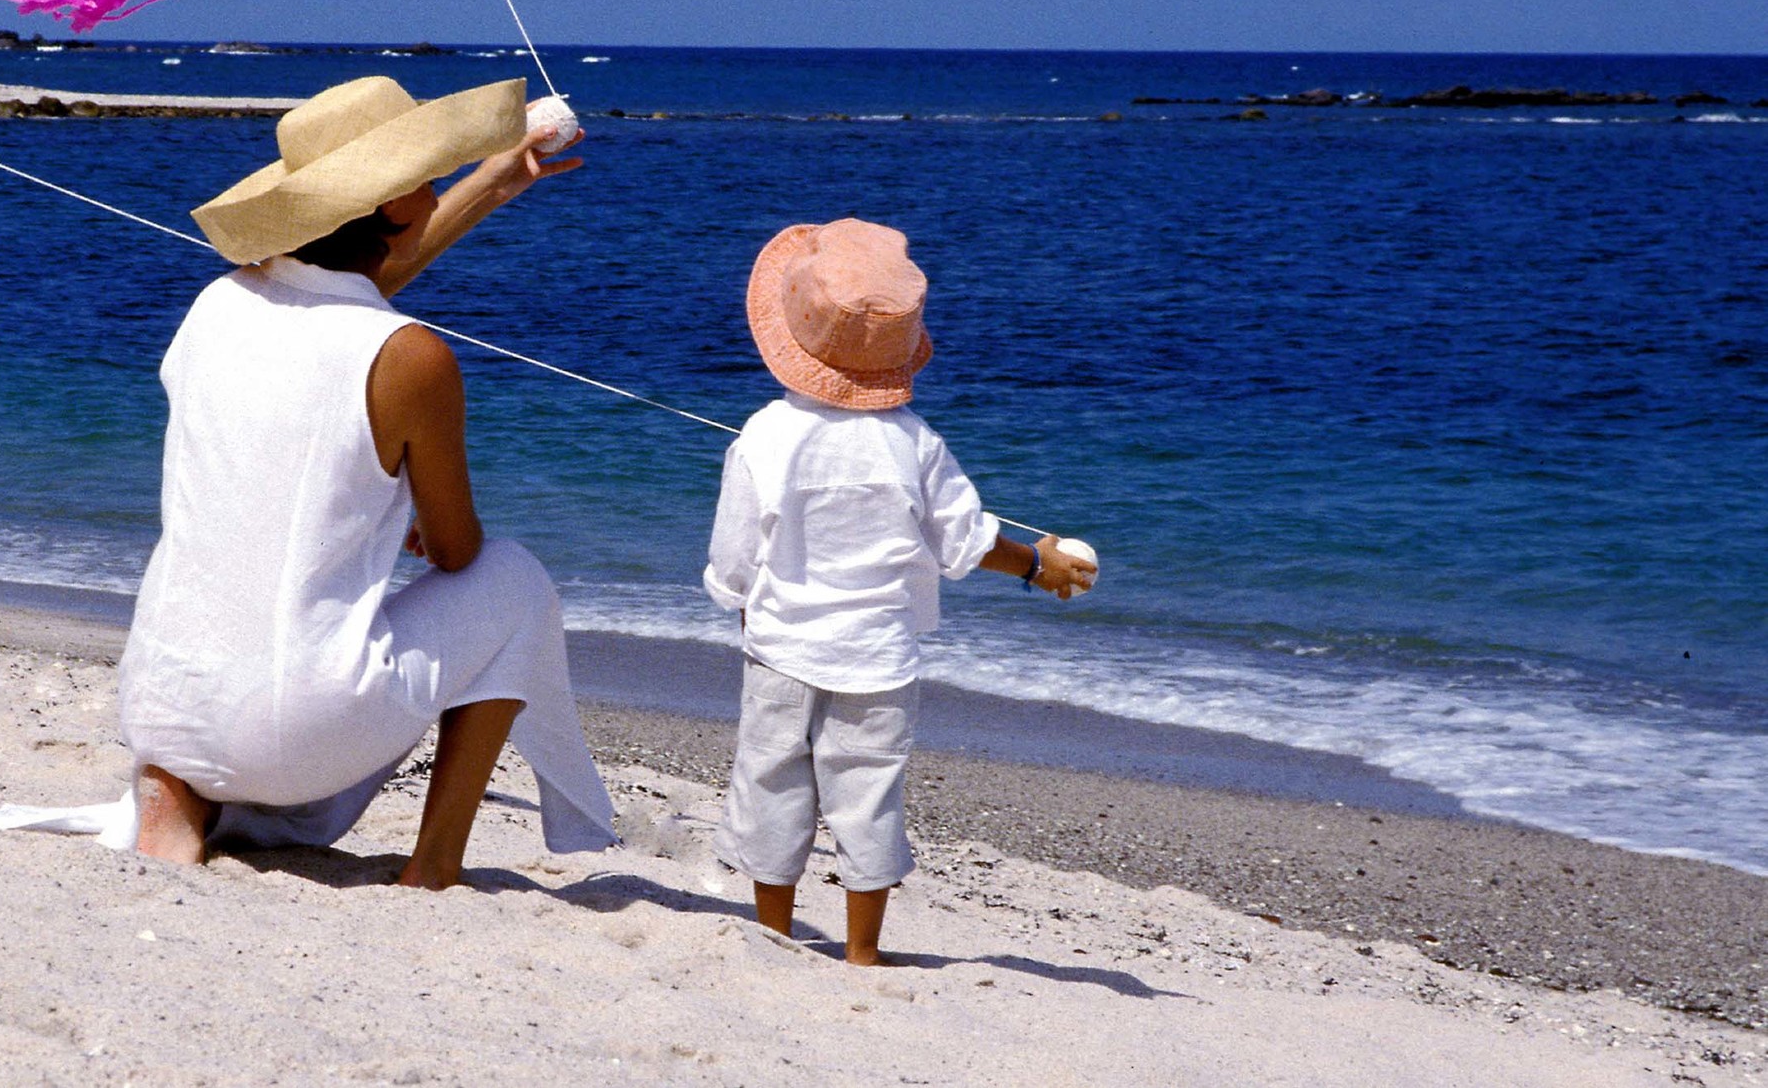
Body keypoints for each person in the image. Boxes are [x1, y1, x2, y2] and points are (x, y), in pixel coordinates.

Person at [117, 75, 618, 888]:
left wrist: (491, 182)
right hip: (286, 738)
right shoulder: (412, 354)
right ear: (389, 207)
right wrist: (427, 512)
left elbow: (345, 299)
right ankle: (435, 865)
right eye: (424, 175)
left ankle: (178, 791)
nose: (433, 184)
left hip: (160, 709)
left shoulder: (218, 303)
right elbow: (456, 554)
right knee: (514, 582)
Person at [704, 218, 1098, 964]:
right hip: (880, 660)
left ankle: (773, 938)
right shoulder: (915, 441)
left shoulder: (761, 435)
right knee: (867, 795)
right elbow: (965, 540)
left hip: (783, 648)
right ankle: (861, 953)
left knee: (771, 785)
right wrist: (1035, 563)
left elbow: (733, 556)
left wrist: (739, 597)